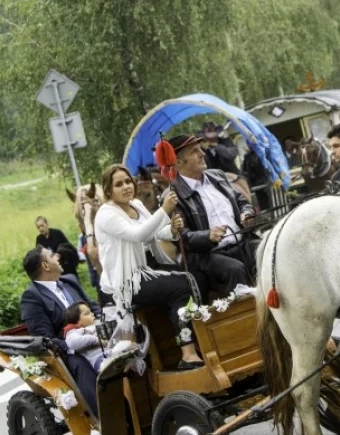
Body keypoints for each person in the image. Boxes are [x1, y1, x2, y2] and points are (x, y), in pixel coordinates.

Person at [94, 163, 205, 369]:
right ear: (109, 190)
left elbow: (155, 232)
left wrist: (171, 229)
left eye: (128, 181)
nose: (126, 186)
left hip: (145, 272)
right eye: (119, 184)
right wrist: (164, 210)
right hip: (128, 283)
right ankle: (188, 353)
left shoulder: (136, 204)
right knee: (180, 285)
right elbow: (138, 234)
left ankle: (200, 341)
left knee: (194, 275)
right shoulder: (106, 214)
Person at [165, 135, 259, 296]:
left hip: (242, 243)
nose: (202, 153)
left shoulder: (218, 175)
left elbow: (241, 200)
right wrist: (207, 236)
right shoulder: (172, 196)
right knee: (235, 269)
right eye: (195, 151)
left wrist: (246, 213)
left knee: (270, 248)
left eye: (201, 149)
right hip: (208, 256)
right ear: (179, 162)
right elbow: (182, 237)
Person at [20, 247, 102, 415]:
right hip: (68, 352)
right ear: (45, 265)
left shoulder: (70, 280)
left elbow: (93, 307)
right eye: (52, 255)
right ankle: (103, 420)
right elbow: (44, 338)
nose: (58, 257)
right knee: (81, 365)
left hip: (97, 336)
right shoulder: (31, 297)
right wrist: (74, 346)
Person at [62, 302, 106, 372]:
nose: (92, 314)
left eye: (90, 311)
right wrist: (96, 340)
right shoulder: (74, 332)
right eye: (87, 313)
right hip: (98, 359)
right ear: (77, 321)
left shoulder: (98, 323)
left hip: (113, 351)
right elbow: (72, 343)